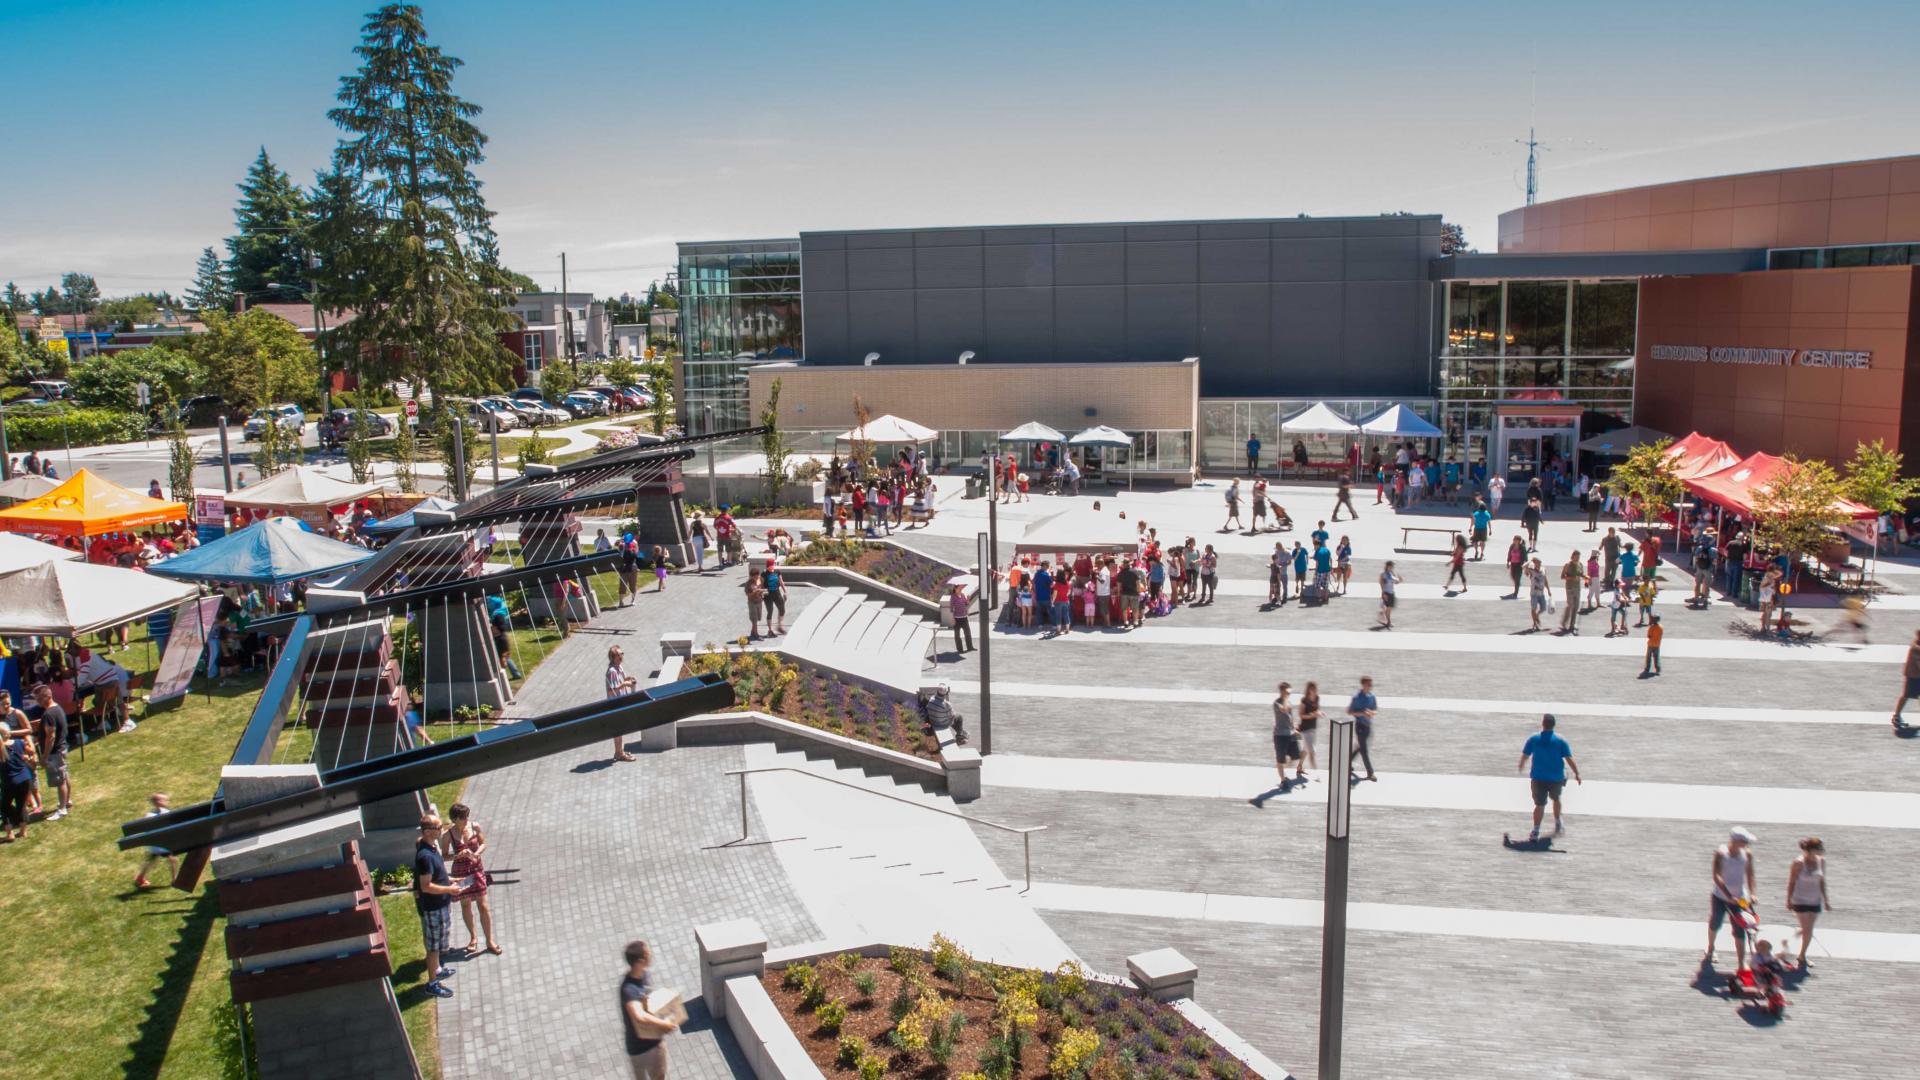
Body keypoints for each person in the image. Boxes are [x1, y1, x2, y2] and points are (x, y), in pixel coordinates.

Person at [415, 814, 463, 999]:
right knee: (433, 948)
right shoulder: (424, 856)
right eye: (438, 826)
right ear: (428, 832)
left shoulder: (432, 847)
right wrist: (449, 890)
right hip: (434, 908)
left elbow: (437, 875)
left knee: (440, 942)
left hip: (442, 904)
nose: (442, 828)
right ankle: (432, 983)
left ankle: (438, 969)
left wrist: (450, 880)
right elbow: (426, 886)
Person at [445, 802, 501, 956]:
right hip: (461, 872)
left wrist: (476, 853)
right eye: (462, 817)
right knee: (465, 906)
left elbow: (483, 843)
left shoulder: (474, 826)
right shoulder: (448, 834)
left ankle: (490, 940)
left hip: (476, 869)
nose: (466, 819)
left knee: (483, 905)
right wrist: (457, 855)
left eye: (467, 816)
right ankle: (473, 938)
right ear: (454, 819)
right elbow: (444, 855)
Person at [1517, 714, 1581, 840]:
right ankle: (1558, 821)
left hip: (1538, 777)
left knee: (1539, 805)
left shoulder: (1534, 739)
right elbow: (1569, 758)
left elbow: (1525, 755)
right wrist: (1577, 774)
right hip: (1556, 778)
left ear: (1543, 724)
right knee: (1556, 799)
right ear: (1554, 725)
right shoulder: (1560, 740)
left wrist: (1521, 765)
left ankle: (1535, 830)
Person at [621, 939, 678, 1080]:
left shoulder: (644, 975)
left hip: (654, 1040)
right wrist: (664, 1024)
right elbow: (639, 1015)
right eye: (648, 955)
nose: (651, 956)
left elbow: (647, 1002)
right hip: (639, 1048)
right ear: (640, 961)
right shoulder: (628, 990)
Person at [1707, 827, 1759, 970]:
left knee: (1740, 927)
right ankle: (1711, 948)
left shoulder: (1747, 854)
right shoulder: (1721, 853)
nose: (1746, 844)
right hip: (1720, 896)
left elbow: (1750, 875)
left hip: (1740, 897)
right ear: (1735, 841)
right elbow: (1716, 876)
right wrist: (1728, 896)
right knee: (1716, 922)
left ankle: (1741, 963)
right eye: (1744, 841)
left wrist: (1752, 894)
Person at [1252, 682, 1302, 804]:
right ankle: (1283, 779)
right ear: (1282, 691)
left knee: (1296, 756)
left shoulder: (1288, 702)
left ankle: (1282, 770)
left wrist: (1294, 728)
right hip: (1280, 735)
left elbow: (1290, 717)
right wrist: (1285, 697)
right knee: (1280, 760)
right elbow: (1284, 709)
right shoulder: (1277, 703)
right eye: (1287, 692)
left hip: (1290, 734)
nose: (1289, 694)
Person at [1785, 837, 1830, 968]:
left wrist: (1825, 899)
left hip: (1815, 899)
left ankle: (1792, 940)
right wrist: (1788, 899)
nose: (1822, 851)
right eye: (1819, 849)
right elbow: (1791, 882)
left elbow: (1822, 881)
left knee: (1807, 929)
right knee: (1808, 929)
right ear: (1810, 850)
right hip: (1800, 899)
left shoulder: (1821, 861)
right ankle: (1802, 956)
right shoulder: (1798, 863)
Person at [33, 684, 70, 820]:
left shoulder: (49, 714)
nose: (37, 701)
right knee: (65, 776)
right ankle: (67, 801)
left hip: (54, 752)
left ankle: (62, 809)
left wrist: (44, 756)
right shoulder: (57, 708)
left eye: (39, 698)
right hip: (61, 749)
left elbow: (51, 736)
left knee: (60, 780)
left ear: (48, 696)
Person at [1, 714, 36, 841]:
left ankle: (9, 834)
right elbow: (31, 751)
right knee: (22, 806)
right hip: (25, 778)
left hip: (9, 781)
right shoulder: (19, 742)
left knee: (5, 807)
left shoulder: (0, 749)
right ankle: (23, 832)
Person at [133, 793, 177, 888]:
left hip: (157, 844)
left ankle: (140, 877)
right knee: (172, 860)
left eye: (166, 800)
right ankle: (174, 880)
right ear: (155, 802)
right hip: (159, 845)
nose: (165, 802)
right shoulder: (151, 816)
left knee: (151, 861)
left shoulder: (165, 812)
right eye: (162, 800)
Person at [608, 646, 639, 762]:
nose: (622, 656)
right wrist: (625, 684)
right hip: (615, 703)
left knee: (620, 729)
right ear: (613, 657)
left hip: (621, 701)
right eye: (619, 654)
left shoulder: (619, 668)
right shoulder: (611, 672)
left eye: (622, 653)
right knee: (618, 729)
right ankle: (619, 753)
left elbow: (620, 680)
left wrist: (628, 678)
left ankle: (619, 752)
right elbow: (611, 690)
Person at [1347, 676, 1378, 782]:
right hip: (1360, 726)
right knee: (1364, 750)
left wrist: (1371, 713)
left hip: (1368, 726)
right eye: (1369, 684)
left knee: (1360, 747)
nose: (1370, 687)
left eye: (1371, 685)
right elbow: (1349, 711)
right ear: (1363, 685)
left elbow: (1375, 710)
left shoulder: (1372, 696)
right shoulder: (1356, 697)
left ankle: (1346, 763)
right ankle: (1370, 772)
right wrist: (1362, 713)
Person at [1893, 629, 1920, 731]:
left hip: (1914, 675)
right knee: (1906, 695)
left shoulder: (1915, 644)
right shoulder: (1916, 649)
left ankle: (1897, 715)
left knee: (1910, 695)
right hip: (1913, 676)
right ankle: (1896, 715)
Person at [1296, 682, 1321, 775]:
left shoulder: (1317, 698)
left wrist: (1319, 713)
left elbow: (1317, 709)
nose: (1314, 690)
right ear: (1308, 690)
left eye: (1315, 688)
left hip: (1313, 727)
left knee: (1306, 749)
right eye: (1312, 689)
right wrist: (1312, 715)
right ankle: (1317, 774)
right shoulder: (1304, 700)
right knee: (1312, 751)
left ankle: (1299, 767)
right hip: (1305, 728)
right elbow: (1301, 715)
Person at [1559, 552, 1585, 633]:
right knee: (1570, 605)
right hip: (1569, 588)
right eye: (1576, 556)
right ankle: (1564, 623)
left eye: (1578, 557)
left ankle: (1572, 625)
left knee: (1576, 606)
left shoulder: (1580, 564)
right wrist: (1571, 577)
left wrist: (1586, 578)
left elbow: (1581, 574)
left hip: (1577, 588)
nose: (1577, 558)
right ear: (1572, 557)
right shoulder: (1567, 565)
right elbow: (1562, 576)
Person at [762, 561, 787, 635]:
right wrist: (761, 593)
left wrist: (785, 591)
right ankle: (770, 630)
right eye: (769, 566)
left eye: (771, 565)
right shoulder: (764, 573)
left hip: (777, 593)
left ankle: (779, 626)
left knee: (782, 609)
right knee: (770, 611)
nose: (770, 567)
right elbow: (761, 584)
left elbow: (781, 581)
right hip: (768, 594)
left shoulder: (777, 572)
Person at [949, 584, 974, 652]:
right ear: (955, 588)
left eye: (961, 587)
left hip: (964, 617)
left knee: (967, 633)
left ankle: (970, 647)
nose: (961, 588)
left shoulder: (963, 595)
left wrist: (968, 599)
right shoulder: (953, 597)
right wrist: (953, 618)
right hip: (957, 618)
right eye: (959, 587)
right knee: (957, 635)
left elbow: (966, 603)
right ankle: (960, 649)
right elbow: (951, 608)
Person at [618, 538, 642, 607]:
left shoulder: (632, 551)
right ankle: (621, 602)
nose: (627, 546)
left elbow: (637, 551)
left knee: (632, 585)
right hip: (626, 570)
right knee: (623, 586)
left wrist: (635, 544)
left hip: (631, 569)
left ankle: (632, 600)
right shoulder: (622, 551)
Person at [1526, 557, 1548, 632]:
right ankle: (1535, 623)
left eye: (1540, 563)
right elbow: (1524, 567)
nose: (1539, 564)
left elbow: (1545, 580)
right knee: (1533, 609)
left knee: (1543, 608)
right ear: (1535, 563)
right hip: (1534, 593)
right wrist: (1530, 561)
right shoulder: (1531, 571)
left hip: (1541, 593)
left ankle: (1537, 616)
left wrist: (1548, 590)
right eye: (1537, 563)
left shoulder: (1543, 570)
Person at [744, 569, 767, 638]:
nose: (756, 577)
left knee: (758, 618)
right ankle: (756, 634)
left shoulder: (761, 579)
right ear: (751, 576)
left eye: (757, 575)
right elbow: (748, 594)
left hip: (759, 601)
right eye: (754, 576)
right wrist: (754, 592)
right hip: (752, 602)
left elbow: (764, 589)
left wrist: (763, 592)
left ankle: (752, 632)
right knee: (754, 619)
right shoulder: (748, 583)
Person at [1377, 562, 1400, 628]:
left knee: (1389, 608)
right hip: (1386, 593)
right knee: (1388, 609)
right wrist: (1383, 593)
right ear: (1387, 566)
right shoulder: (1383, 575)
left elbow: (1396, 582)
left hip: (1392, 593)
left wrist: (1399, 580)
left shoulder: (1392, 574)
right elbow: (1381, 584)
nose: (1391, 568)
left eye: (1392, 567)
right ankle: (1388, 622)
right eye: (1390, 566)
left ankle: (1382, 613)